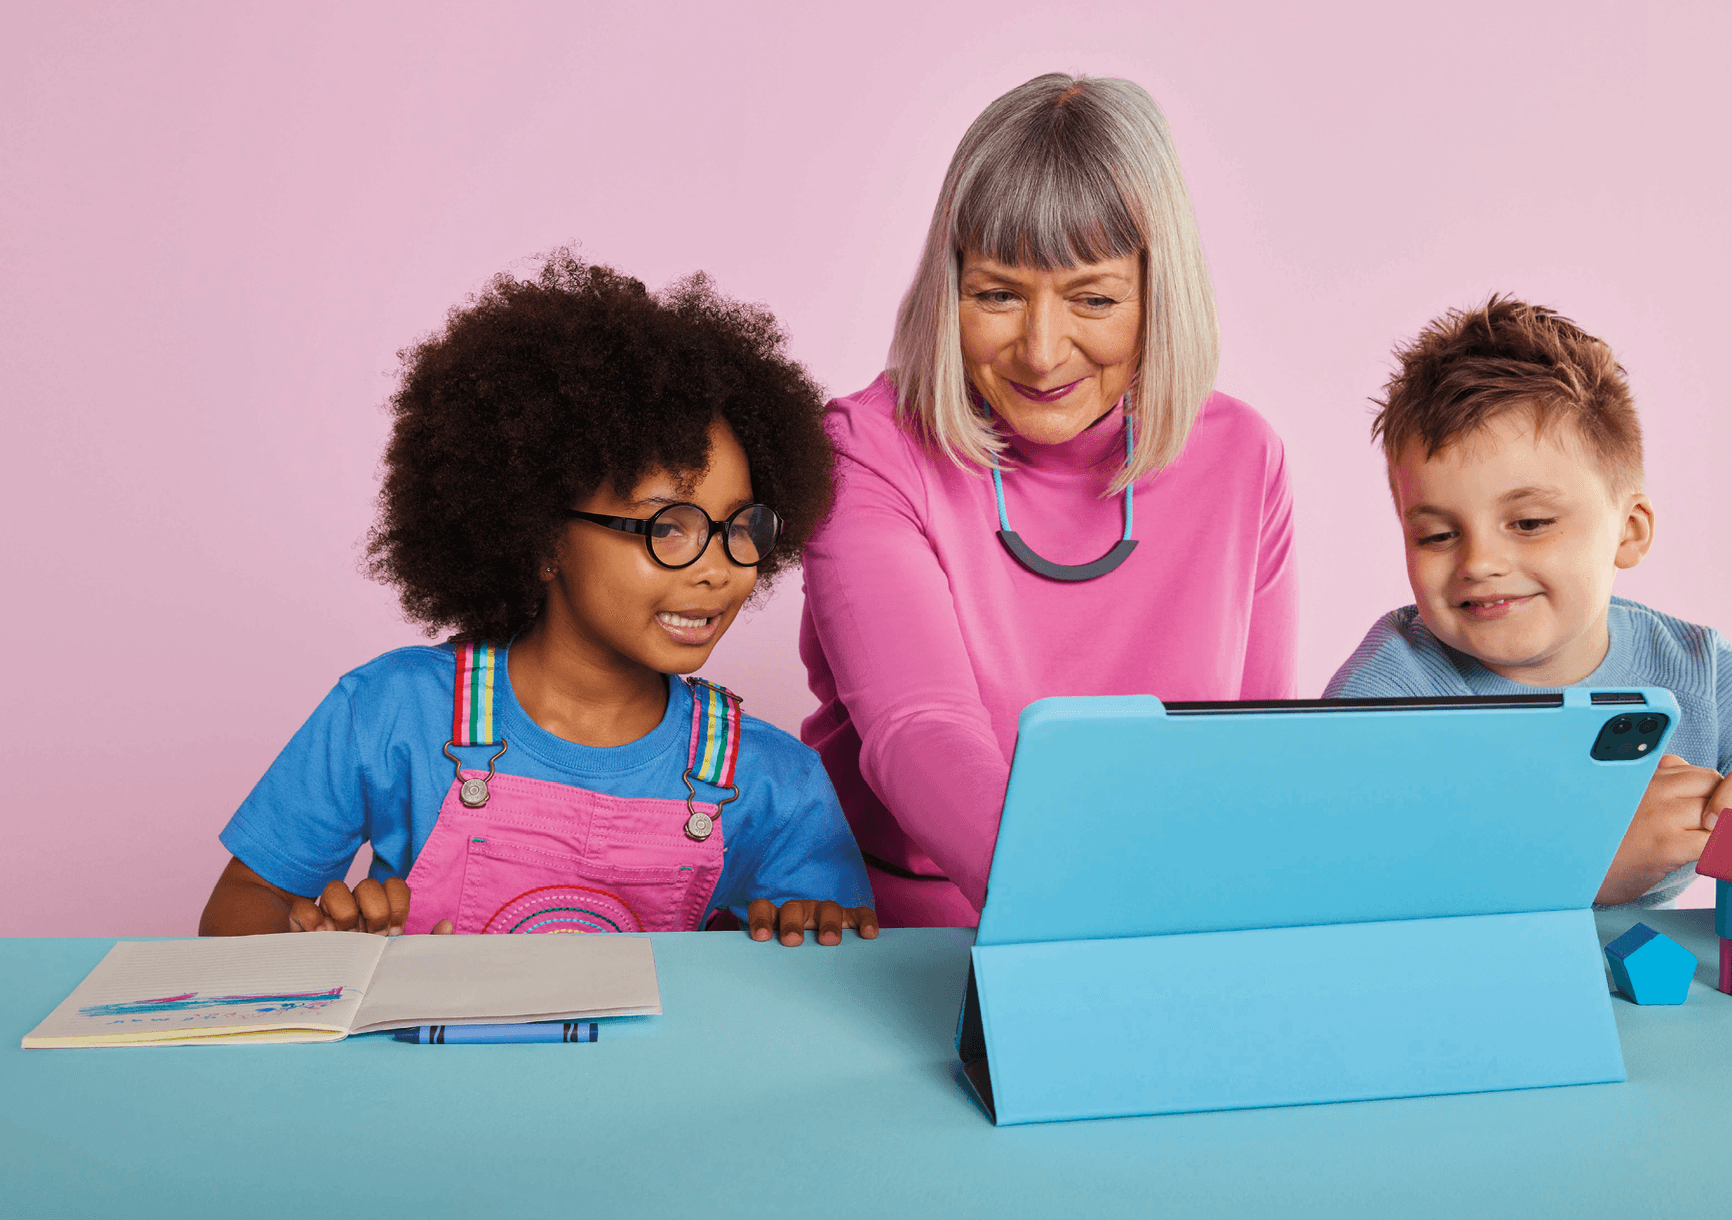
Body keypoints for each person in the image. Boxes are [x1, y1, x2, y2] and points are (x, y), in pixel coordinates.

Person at [200, 252, 877, 946]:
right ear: (545, 539)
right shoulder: (390, 713)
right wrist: (305, 955)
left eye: (740, 527)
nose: (717, 569)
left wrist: (807, 936)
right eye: (667, 528)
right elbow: (246, 902)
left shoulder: (773, 781)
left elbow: (834, 971)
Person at [799, 74, 1299, 927]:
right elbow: (918, 729)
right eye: (997, 293)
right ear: (949, 289)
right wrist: (1076, 914)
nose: (1040, 349)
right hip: (898, 931)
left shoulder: (1243, 457)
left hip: (1161, 918)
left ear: (1157, 294)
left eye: (1093, 299)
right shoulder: (867, 452)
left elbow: (1249, 755)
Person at [1325, 297, 1732, 918]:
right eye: (1437, 535)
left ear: (1629, 531)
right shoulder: (1389, 691)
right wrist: (1590, 866)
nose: (1478, 562)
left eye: (1529, 522)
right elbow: (1336, 877)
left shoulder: (1701, 674)